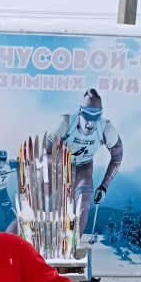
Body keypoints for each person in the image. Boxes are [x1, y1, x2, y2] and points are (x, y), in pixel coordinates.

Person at [47, 88, 123, 234]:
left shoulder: (106, 128)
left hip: (84, 167)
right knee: (62, 203)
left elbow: (117, 157)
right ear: (80, 112)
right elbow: (48, 154)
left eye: (95, 118)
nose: (90, 124)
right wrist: (61, 171)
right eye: (87, 116)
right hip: (61, 166)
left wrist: (104, 186)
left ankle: (74, 243)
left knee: (84, 201)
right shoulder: (65, 123)